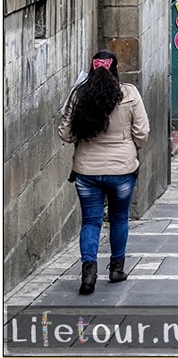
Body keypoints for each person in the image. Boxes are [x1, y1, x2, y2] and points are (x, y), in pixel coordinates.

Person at [58, 50, 150, 295]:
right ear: (116, 69)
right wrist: (128, 148)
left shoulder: (79, 95)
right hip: (122, 170)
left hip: (86, 170)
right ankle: (116, 268)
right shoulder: (129, 93)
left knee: (90, 221)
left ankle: (88, 273)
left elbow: (66, 134)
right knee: (119, 218)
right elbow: (142, 133)